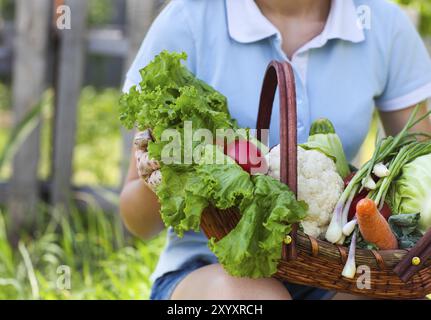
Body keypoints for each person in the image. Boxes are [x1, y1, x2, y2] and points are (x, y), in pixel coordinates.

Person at [120, 0, 431, 300]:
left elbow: (421, 171)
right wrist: (176, 170)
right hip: (209, 267)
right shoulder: (189, 19)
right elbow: (137, 222)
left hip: (339, 268)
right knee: (255, 297)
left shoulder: (383, 24)